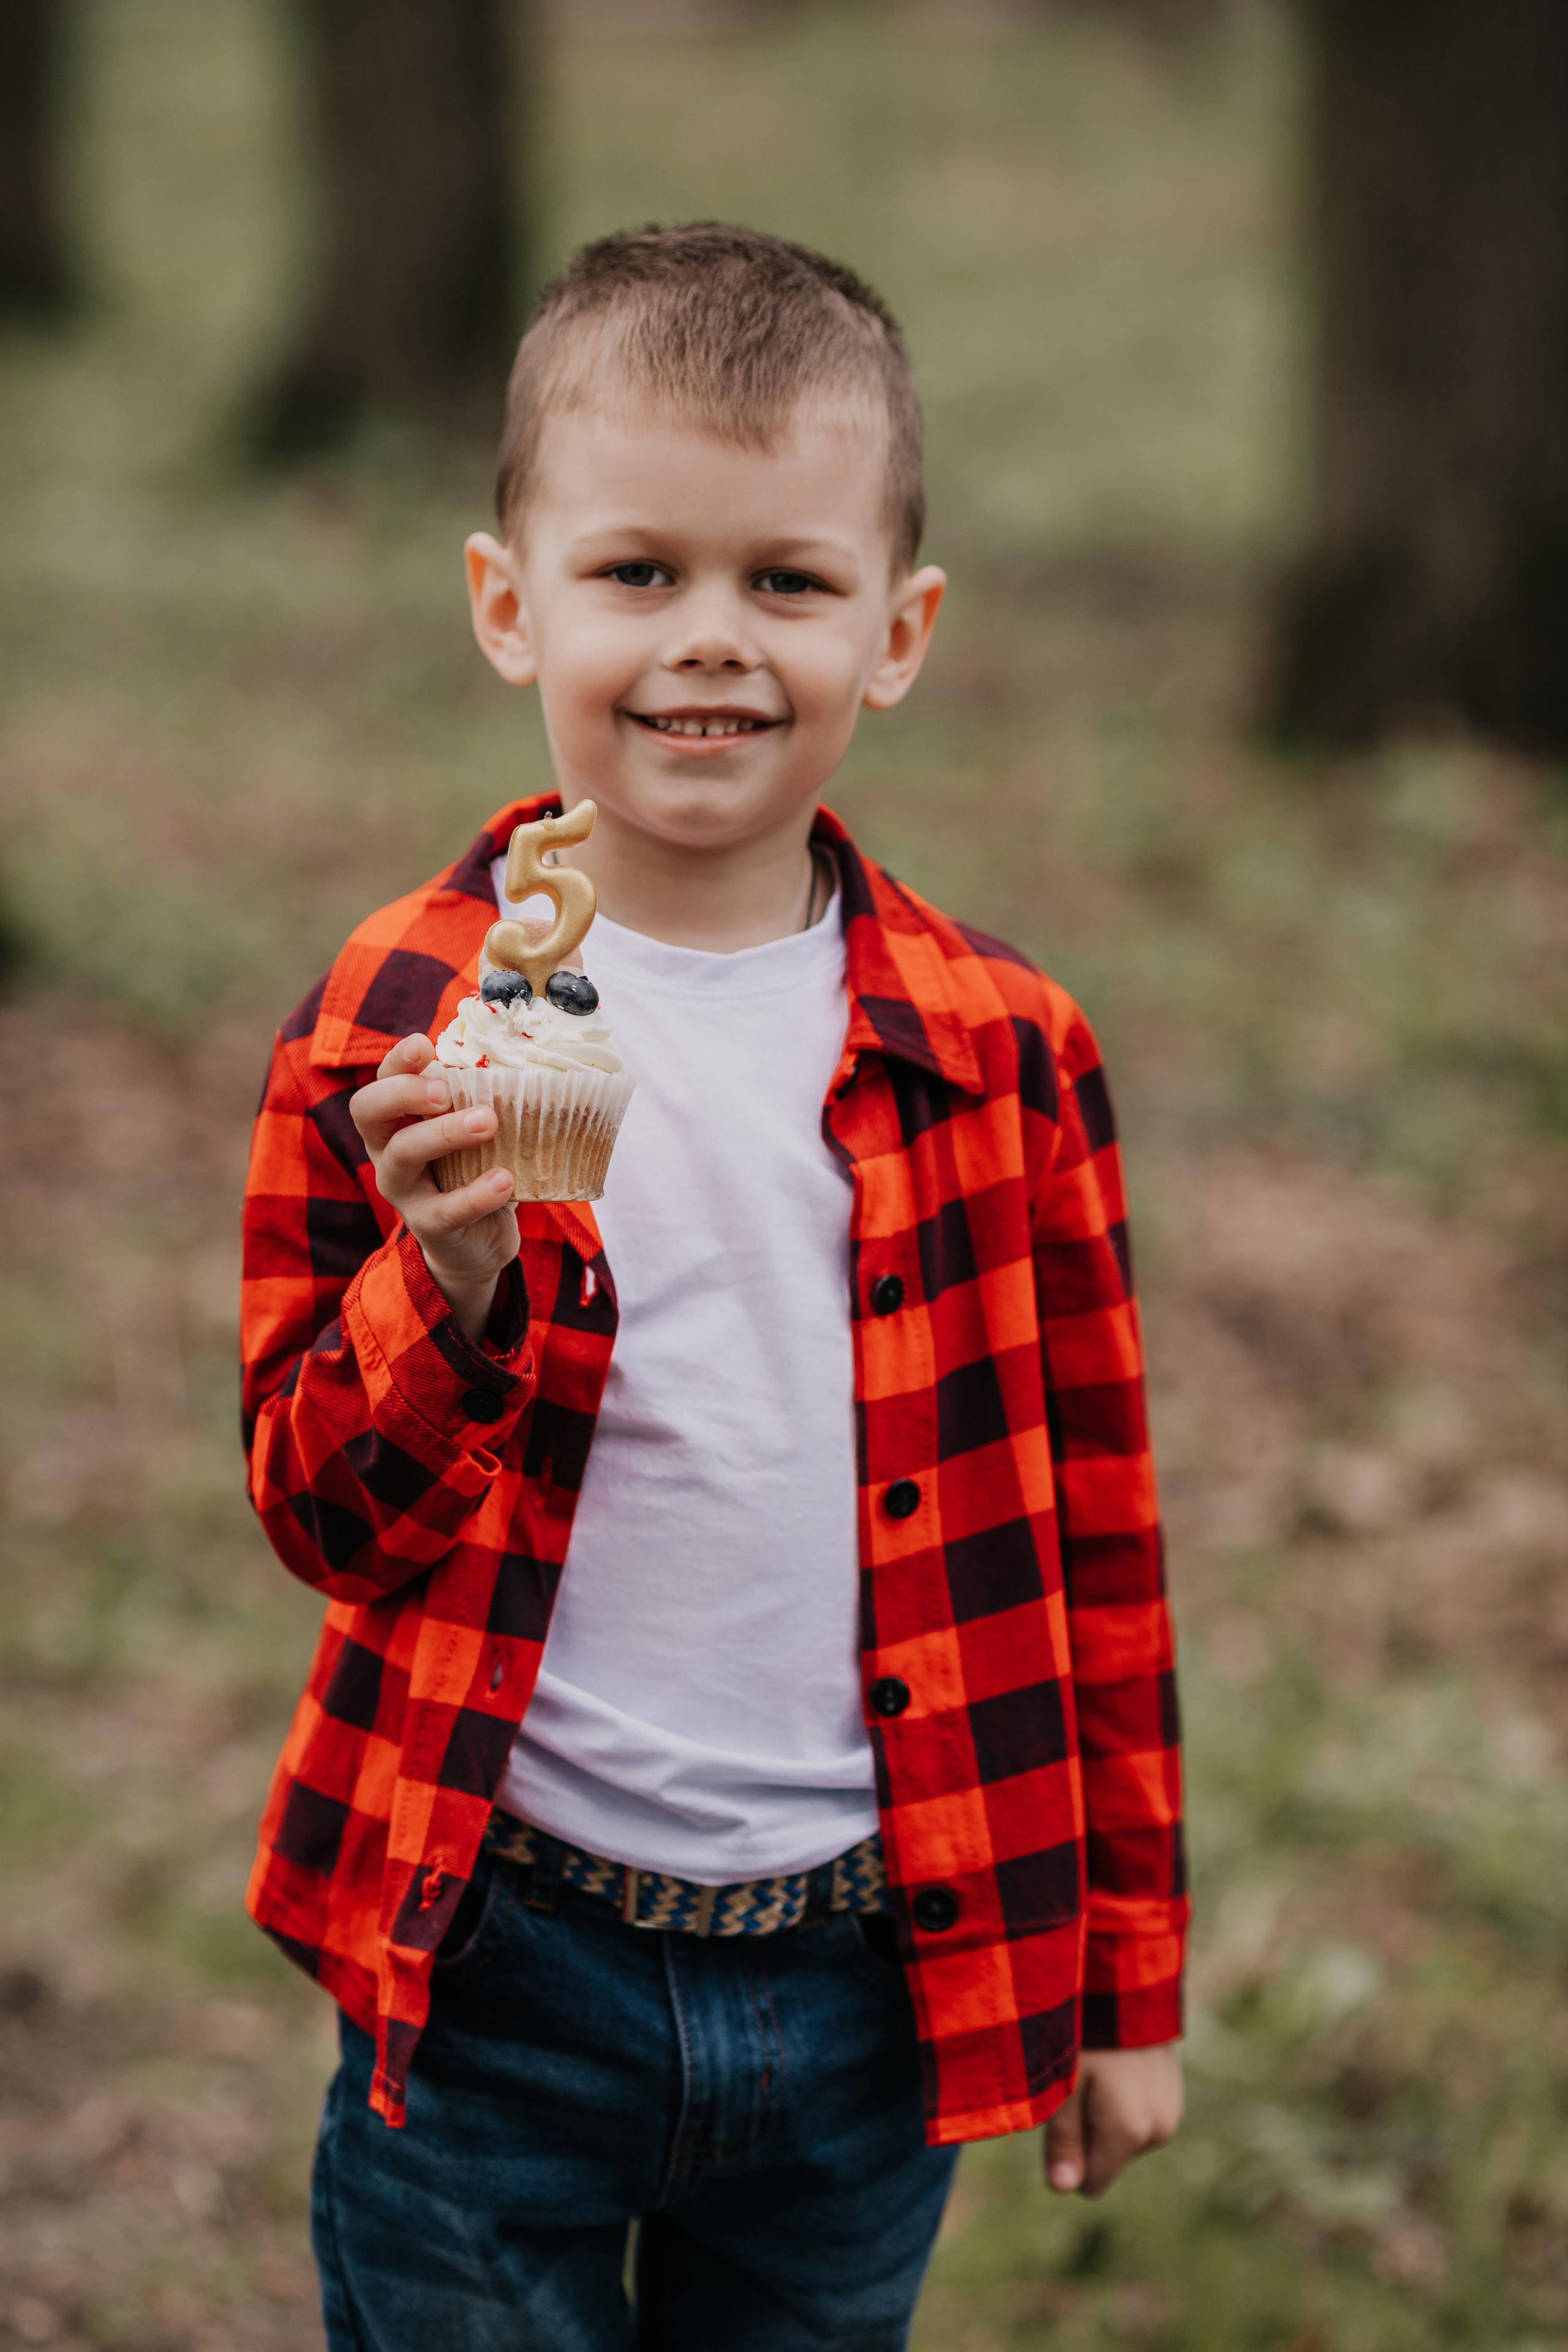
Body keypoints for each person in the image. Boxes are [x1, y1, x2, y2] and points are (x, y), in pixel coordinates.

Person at [241, 223, 1187, 2351]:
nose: (712, 643)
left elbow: (1097, 1538)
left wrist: (1129, 1977)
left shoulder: (1004, 1049)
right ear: (511, 604)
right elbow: (319, 1515)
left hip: (880, 1972)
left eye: (789, 581)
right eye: (638, 571)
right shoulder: (403, 1016)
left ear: (901, 629)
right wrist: (457, 1289)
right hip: (506, 1961)